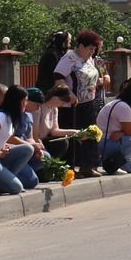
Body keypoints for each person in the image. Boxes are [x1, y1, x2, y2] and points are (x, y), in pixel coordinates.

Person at [53, 30, 106, 175]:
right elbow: (58, 77)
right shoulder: (69, 58)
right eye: (90, 49)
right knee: (74, 135)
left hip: (88, 102)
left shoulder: (88, 58)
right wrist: (69, 93)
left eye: (94, 49)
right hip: (72, 105)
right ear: (81, 46)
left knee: (89, 134)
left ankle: (88, 166)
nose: (92, 52)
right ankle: (69, 167)